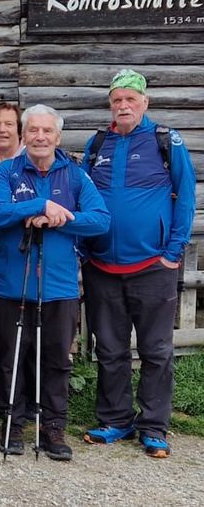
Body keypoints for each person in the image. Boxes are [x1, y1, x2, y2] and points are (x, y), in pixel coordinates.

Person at [80, 69, 195, 458]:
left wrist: (172, 253)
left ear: (144, 103)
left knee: (156, 350)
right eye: (117, 100)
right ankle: (115, 419)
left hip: (152, 266)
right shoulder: (98, 143)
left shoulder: (166, 141)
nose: (123, 106)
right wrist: (83, 251)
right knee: (109, 349)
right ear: (110, 104)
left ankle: (153, 425)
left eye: (130, 99)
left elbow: (187, 198)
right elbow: (81, 198)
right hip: (102, 267)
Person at [0, 104, 109, 461]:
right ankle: (13, 422)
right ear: (24, 135)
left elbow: (100, 220)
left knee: (56, 358)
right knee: (13, 357)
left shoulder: (74, 175)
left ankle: (53, 425)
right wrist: (38, 205)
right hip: (14, 283)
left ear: (58, 137)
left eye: (47, 131)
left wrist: (57, 218)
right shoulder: (8, 171)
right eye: (34, 131)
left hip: (60, 286)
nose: (40, 137)